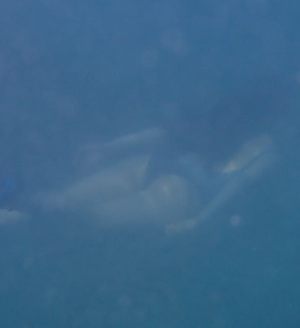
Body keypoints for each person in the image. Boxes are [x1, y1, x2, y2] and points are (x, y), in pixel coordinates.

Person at [32, 76, 283, 234]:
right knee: (88, 220)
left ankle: (6, 213)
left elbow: (162, 133)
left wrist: (109, 147)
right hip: (179, 192)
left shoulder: (220, 113)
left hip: (148, 164)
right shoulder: (266, 151)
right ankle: (17, 220)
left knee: (60, 203)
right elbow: (238, 185)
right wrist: (200, 221)